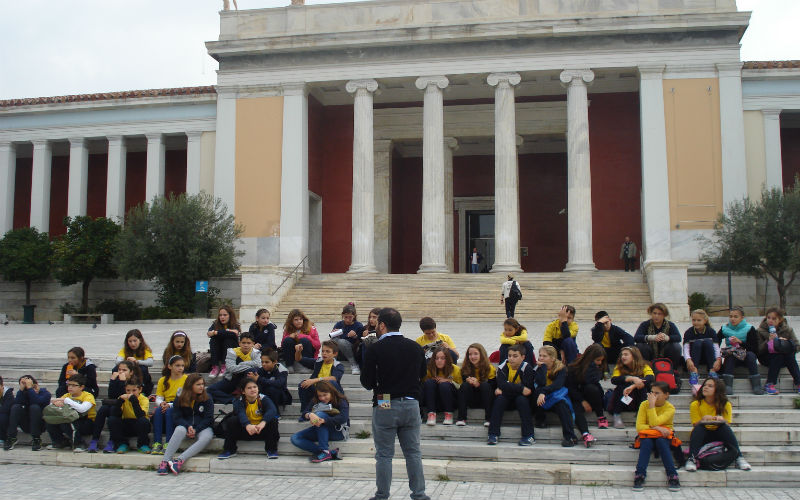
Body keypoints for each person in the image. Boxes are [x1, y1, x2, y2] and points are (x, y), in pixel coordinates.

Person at [360, 307, 430, 500]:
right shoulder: (415, 347)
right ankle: (419, 493)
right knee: (413, 452)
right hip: (410, 401)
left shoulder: (375, 348)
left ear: (382, 325)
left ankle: (382, 494)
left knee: (384, 453)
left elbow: (366, 382)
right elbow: (423, 374)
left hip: (385, 399)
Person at [685, 377, 751, 472]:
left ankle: (739, 457)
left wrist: (721, 420)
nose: (705, 387)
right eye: (705, 385)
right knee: (700, 427)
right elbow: (695, 424)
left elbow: (727, 423)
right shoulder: (695, 404)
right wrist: (703, 420)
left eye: (710, 386)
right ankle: (692, 459)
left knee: (723, 427)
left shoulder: (726, 404)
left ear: (717, 390)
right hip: (703, 436)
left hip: (719, 435)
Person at [157, 374, 215, 475]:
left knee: (207, 437)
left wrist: (196, 429)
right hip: (185, 425)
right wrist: (188, 426)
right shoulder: (180, 396)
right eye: (198, 384)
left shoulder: (207, 398)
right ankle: (165, 461)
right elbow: (177, 416)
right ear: (190, 385)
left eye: (202, 384)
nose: (201, 387)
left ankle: (179, 460)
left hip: (202, 427)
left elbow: (208, 418)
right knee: (179, 430)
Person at [631, 381, 680, 492]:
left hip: (664, 436)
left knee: (661, 442)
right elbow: (639, 427)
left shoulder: (670, 408)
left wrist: (652, 406)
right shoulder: (644, 404)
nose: (653, 396)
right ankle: (639, 475)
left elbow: (654, 421)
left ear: (666, 395)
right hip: (648, 435)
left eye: (657, 393)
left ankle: (672, 475)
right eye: (652, 392)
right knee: (647, 442)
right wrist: (657, 428)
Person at [218, 378, 280, 460]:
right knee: (232, 420)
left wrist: (263, 423)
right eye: (249, 388)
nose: (253, 389)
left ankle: (271, 450)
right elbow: (240, 413)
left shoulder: (263, 398)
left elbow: (272, 410)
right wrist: (247, 425)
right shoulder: (238, 400)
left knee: (273, 421)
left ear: (258, 388)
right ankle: (229, 450)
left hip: (260, 430)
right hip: (246, 431)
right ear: (243, 391)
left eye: (255, 387)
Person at [487, 344, 536, 446]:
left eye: (515, 356)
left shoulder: (527, 368)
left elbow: (528, 389)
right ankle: (493, 434)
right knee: (499, 400)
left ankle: (529, 435)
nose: (511, 358)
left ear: (522, 357)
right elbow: (502, 384)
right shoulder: (503, 367)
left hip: (521, 399)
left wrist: (507, 387)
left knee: (522, 400)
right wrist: (520, 388)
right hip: (508, 397)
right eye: (509, 356)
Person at [291, 380, 351, 463]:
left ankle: (324, 450)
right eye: (320, 396)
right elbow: (304, 413)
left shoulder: (341, 400)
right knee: (295, 438)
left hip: (338, 431)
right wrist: (309, 415)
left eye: (325, 395)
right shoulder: (315, 400)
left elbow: (343, 418)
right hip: (321, 429)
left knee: (319, 414)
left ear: (331, 392)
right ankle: (328, 453)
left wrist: (324, 421)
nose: (322, 398)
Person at [89, 360, 141, 453]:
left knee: (114, 410)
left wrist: (123, 382)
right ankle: (94, 440)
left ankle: (112, 441)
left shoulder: (134, 382)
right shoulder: (117, 379)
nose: (121, 372)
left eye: (124, 370)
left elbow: (125, 396)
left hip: (126, 409)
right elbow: (111, 395)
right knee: (103, 409)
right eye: (119, 369)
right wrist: (112, 381)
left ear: (131, 372)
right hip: (116, 404)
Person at [533, 346, 577, 447]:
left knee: (561, 404)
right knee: (538, 392)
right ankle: (540, 420)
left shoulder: (561, 369)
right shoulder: (538, 368)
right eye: (540, 355)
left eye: (544, 356)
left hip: (555, 396)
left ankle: (569, 436)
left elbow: (558, 385)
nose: (541, 358)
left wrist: (543, 392)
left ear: (553, 358)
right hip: (541, 398)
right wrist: (543, 368)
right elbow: (541, 383)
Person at [567, 343, 607, 442]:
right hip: (577, 396)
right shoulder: (574, 367)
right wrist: (582, 401)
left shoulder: (596, 369)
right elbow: (571, 388)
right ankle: (585, 433)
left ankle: (600, 416)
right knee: (576, 410)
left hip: (592, 396)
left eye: (601, 361)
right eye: (597, 360)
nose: (599, 363)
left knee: (592, 388)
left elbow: (594, 385)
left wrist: (593, 368)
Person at [46, 373, 96, 451]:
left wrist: (67, 401)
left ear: (81, 387)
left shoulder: (88, 396)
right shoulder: (66, 395)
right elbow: (53, 404)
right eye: (69, 385)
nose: (70, 387)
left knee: (67, 420)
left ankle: (79, 444)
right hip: (70, 421)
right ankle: (60, 441)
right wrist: (55, 403)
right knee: (50, 418)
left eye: (73, 385)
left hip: (87, 422)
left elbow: (82, 409)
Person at [719, 306, 763, 395]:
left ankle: (756, 385)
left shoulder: (750, 328)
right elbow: (716, 342)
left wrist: (740, 342)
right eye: (730, 316)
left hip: (747, 357)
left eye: (735, 317)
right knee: (731, 355)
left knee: (750, 355)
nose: (732, 319)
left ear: (742, 318)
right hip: (733, 356)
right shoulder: (724, 328)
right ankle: (728, 386)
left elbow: (754, 348)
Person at [207, 332, 261, 404]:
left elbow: (258, 364)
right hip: (232, 378)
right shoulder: (232, 352)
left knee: (251, 371)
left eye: (248, 343)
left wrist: (241, 364)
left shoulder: (256, 352)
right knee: (210, 390)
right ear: (239, 343)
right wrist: (248, 365)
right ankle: (233, 399)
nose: (246, 345)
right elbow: (231, 368)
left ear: (253, 344)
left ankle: (246, 396)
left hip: (247, 380)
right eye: (243, 343)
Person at [756, 306, 800, 395]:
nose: (770, 321)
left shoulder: (788, 330)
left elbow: (797, 346)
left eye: (774, 318)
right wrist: (768, 340)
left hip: (785, 358)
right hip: (766, 357)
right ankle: (770, 384)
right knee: (778, 356)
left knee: (788, 355)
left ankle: (799, 382)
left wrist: (785, 342)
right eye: (768, 318)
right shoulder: (760, 331)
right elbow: (758, 350)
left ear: (780, 320)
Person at [298, 340, 345, 420]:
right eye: (323, 351)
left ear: (335, 354)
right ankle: (305, 412)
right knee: (303, 384)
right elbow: (299, 359)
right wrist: (298, 351)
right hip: (318, 390)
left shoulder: (338, 365)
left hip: (332, 391)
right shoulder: (318, 361)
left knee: (331, 382)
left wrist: (314, 380)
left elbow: (334, 378)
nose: (324, 353)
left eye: (327, 351)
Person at [609, 346, 654, 429]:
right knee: (622, 385)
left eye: (626, 354)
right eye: (622, 355)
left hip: (639, 398)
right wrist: (631, 378)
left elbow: (650, 378)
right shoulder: (619, 367)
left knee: (642, 385)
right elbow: (614, 380)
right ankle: (617, 415)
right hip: (624, 399)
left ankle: (642, 415)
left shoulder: (644, 366)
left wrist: (633, 386)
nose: (623, 357)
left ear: (634, 356)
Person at [150, 355, 188, 455]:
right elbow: (159, 397)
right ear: (170, 366)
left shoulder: (186, 379)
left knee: (169, 411)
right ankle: (157, 443)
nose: (180, 368)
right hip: (166, 404)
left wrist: (169, 405)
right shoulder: (163, 380)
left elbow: (185, 398)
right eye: (177, 365)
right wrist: (161, 403)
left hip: (180, 406)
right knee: (158, 411)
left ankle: (168, 443)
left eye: (182, 366)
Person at [4, 375, 50, 451]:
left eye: (32, 387)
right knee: (16, 407)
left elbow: (37, 402)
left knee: (34, 407)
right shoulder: (24, 393)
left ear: (36, 385)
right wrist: (21, 390)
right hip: (26, 424)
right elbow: (17, 403)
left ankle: (36, 439)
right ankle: (12, 437)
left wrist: (30, 389)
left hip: (40, 425)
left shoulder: (45, 393)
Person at [107, 377, 152, 454]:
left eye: (134, 390)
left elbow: (140, 414)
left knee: (143, 421)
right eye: (128, 390)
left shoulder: (144, 399)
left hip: (139, 425)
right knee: (112, 419)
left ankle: (143, 444)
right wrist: (119, 402)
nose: (130, 393)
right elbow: (115, 414)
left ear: (140, 390)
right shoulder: (122, 398)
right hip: (126, 424)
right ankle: (122, 444)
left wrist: (133, 400)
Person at [456, 343, 496, 427]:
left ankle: (489, 418)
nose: (472, 357)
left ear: (482, 355)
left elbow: (492, 387)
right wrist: (467, 381)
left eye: (476, 354)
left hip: (485, 399)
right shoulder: (464, 369)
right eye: (470, 354)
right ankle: (461, 418)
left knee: (485, 385)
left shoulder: (489, 368)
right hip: (471, 399)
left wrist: (479, 384)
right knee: (465, 386)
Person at [633, 303, 682, 368]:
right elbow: (636, 337)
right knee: (641, 346)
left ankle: (673, 370)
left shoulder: (670, 325)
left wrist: (666, 338)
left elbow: (678, 337)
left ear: (664, 315)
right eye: (654, 313)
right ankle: (645, 369)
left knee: (676, 346)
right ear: (651, 313)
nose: (656, 316)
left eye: (659, 314)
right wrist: (651, 337)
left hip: (665, 352)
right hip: (650, 353)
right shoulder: (645, 324)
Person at [423, 347, 462, 426]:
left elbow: (461, 387)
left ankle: (448, 414)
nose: (439, 361)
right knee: (429, 382)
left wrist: (449, 381)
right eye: (437, 358)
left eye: (442, 358)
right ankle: (431, 414)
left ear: (447, 359)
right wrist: (434, 381)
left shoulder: (455, 369)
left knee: (444, 385)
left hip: (451, 400)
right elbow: (424, 387)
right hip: (435, 401)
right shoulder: (430, 369)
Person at [683, 309, 722, 386]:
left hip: (708, 356)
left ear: (705, 320)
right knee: (698, 342)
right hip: (694, 357)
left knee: (707, 342)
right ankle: (694, 372)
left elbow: (716, 347)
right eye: (694, 320)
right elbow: (686, 348)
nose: (696, 322)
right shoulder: (689, 332)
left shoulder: (710, 331)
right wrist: (688, 360)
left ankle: (712, 371)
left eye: (699, 320)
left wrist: (718, 359)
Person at [281, 309, 321, 373]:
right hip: (293, 354)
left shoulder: (311, 328)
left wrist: (305, 336)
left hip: (307, 353)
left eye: (300, 319)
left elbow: (318, 345)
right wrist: (289, 336)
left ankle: (305, 365)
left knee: (304, 340)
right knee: (288, 340)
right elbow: (283, 345)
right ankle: (289, 365)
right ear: (291, 321)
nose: (299, 321)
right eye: (296, 320)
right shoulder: (288, 329)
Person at [116, 329, 155, 395]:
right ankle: (121, 389)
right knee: (116, 369)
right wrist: (128, 363)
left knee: (143, 368)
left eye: (135, 341)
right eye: (130, 341)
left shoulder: (145, 350)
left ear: (140, 340)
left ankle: (142, 390)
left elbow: (150, 362)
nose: (132, 343)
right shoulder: (124, 350)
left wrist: (136, 361)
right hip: (128, 371)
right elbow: (118, 361)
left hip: (139, 372)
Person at [207, 306, 241, 377]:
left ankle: (224, 366)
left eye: (225, 315)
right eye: (220, 315)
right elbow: (209, 333)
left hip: (231, 351)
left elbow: (235, 333)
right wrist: (226, 331)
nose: (222, 317)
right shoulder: (215, 324)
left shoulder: (235, 324)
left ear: (230, 316)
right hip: (219, 350)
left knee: (228, 339)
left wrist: (217, 332)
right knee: (213, 340)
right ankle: (215, 367)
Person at [331, 302, 365, 375]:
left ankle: (354, 365)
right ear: (343, 316)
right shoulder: (339, 324)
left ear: (354, 316)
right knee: (333, 340)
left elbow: (361, 340)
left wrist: (355, 336)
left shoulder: (358, 325)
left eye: (350, 317)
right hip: (339, 351)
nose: (347, 319)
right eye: (345, 317)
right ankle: (332, 362)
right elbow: (332, 339)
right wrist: (334, 333)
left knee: (342, 342)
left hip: (352, 349)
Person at [253, 349, 291, 413]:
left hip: (281, 395)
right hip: (264, 394)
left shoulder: (281, 370)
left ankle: (275, 413)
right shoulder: (260, 369)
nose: (264, 364)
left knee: (271, 389)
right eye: (262, 362)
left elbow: (279, 383)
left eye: (267, 362)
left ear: (274, 362)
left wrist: (260, 379)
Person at [0, 376, 13, 449]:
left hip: (6, 418)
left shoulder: (8, 393)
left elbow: (6, 409)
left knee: (2, 416)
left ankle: (3, 438)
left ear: (2, 386)